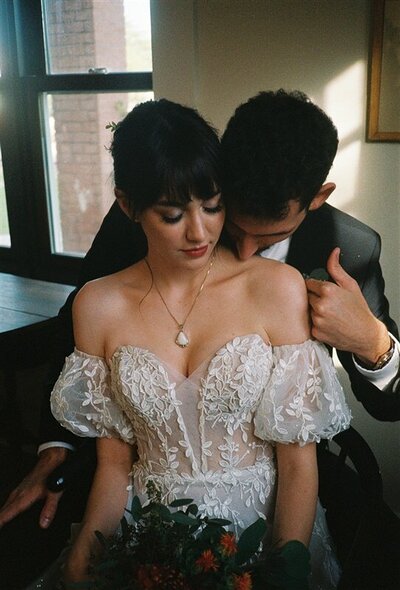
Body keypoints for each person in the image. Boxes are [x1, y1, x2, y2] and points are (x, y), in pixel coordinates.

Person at [0, 89, 398, 586]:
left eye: (214, 208)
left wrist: (372, 341)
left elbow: (354, 426)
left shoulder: (347, 251)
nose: (221, 241)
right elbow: (78, 336)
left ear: (316, 199)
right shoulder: (151, 215)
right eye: (174, 215)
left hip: (282, 488)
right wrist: (57, 445)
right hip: (147, 509)